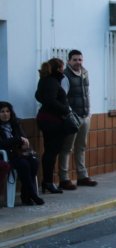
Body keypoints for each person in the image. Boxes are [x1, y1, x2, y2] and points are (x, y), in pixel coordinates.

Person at [58, 50, 97, 190]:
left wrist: (89, 113)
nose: (78, 62)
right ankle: (64, 179)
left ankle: (82, 176)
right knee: (67, 148)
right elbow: (63, 98)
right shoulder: (65, 77)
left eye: (80, 60)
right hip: (72, 118)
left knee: (81, 147)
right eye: (75, 60)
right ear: (69, 61)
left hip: (85, 116)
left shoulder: (85, 73)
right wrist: (69, 115)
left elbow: (87, 94)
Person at [35, 58, 70, 194]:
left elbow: (38, 96)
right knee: (51, 151)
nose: (64, 69)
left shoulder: (45, 80)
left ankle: (47, 182)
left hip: (47, 119)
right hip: (52, 121)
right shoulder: (52, 82)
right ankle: (48, 182)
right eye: (62, 67)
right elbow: (51, 101)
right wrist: (66, 109)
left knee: (50, 151)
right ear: (57, 69)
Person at [0, 101, 44, 205]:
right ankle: (31, 194)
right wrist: (18, 140)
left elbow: (24, 139)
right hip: (6, 157)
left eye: (7, 111)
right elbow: (2, 144)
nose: (5, 114)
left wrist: (24, 145)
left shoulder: (15, 124)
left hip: (19, 153)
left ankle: (26, 195)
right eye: (2, 112)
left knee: (34, 162)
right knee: (24, 165)